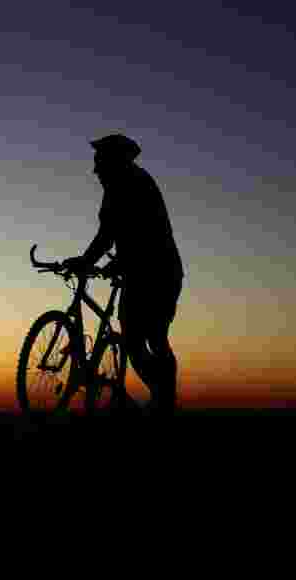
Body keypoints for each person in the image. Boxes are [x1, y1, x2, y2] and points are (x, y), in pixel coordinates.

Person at [63, 134, 184, 415]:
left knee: (151, 337)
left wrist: (87, 260)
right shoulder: (123, 184)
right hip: (142, 270)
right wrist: (111, 261)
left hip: (158, 272)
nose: (95, 170)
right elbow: (120, 232)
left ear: (114, 160)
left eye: (99, 162)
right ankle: (163, 398)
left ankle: (164, 399)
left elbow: (117, 232)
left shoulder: (131, 183)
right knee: (141, 339)